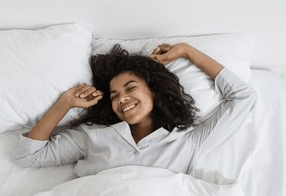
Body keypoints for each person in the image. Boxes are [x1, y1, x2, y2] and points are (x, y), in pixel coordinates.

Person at [14, 43, 256, 177]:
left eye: (131, 88)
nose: (123, 99)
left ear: (153, 90)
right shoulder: (93, 136)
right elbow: (28, 156)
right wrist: (65, 103)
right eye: (114, 95)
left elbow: (243, 97)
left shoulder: (188, 141)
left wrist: (187, 51)